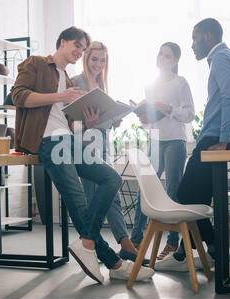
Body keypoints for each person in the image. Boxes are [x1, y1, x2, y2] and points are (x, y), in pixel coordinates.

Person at [11, 26, 154, 283]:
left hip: (67, 139)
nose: (79, 51)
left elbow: (68, 120)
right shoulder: (36, 63)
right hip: (47, 141)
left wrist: (90, 122)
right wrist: (61, 95)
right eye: (76, 45)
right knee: (78, 202)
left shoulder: (66, 79)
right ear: (62, 41)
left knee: (111, 178)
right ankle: (116, 263)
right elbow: (18, 96)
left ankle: (87, 242)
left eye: (82, 48)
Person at [155, 18, 230, 271]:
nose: (192, 45)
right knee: (200, 196)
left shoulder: (220, 58)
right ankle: (201, 249)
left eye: (195, 38)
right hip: (221, 137)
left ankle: (210, 246)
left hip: (214, 139)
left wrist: (224, 140)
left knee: (185, 194)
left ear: (208, 37)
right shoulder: (229, 58)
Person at [72, 41, 148, 264]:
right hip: (84, 146)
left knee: (112, 194)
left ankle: (122, 244)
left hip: (103, 145)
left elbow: (99, 118)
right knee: (90, 200)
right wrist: (90, 123)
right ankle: (97, 246)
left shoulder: (101, 83)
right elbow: (72, 121)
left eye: (102, 60)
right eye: (94, 59)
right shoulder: (76, 82)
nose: (98, 64)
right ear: (86, 59)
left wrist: (113, 120)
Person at [130, 42, 195, 260]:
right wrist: (145, 118)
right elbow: (149, 121)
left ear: (175, 61)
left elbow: (189, 115)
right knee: (145, 189)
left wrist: (168, 108)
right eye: (160, 54)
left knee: (173, 190)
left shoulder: (180, 82)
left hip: (175, 141)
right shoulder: (150, 85)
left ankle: (172, 243)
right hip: (155, 140)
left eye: (167, 56)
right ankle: (136, 239)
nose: (162, 58)